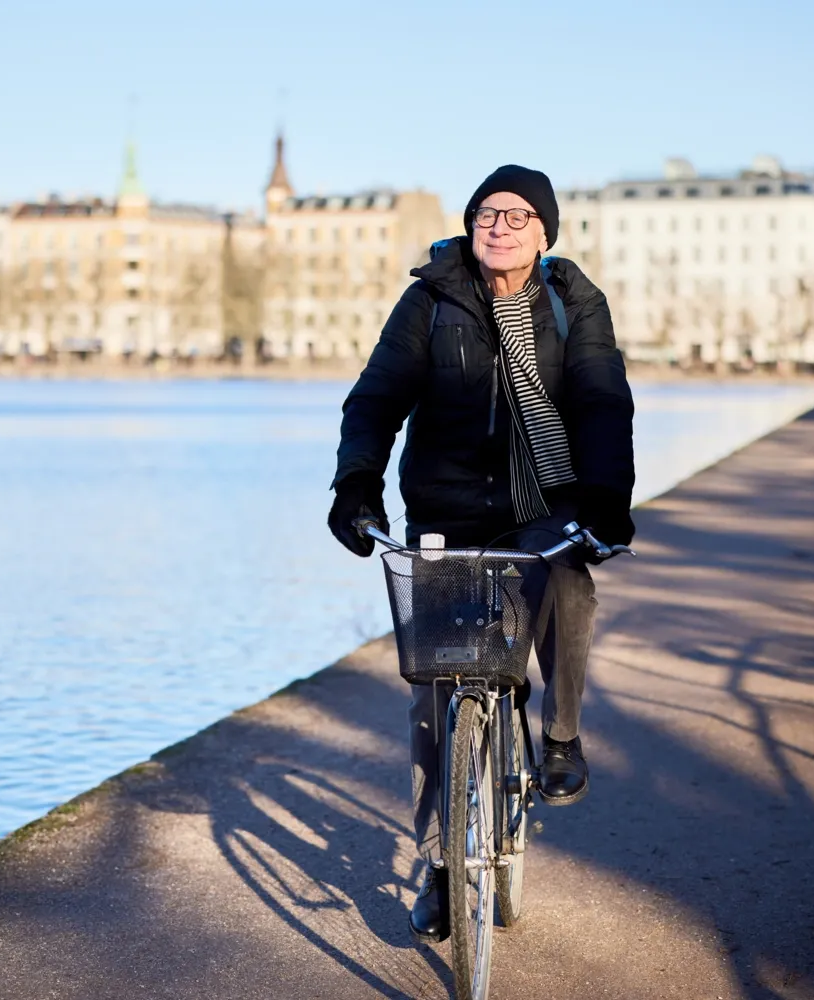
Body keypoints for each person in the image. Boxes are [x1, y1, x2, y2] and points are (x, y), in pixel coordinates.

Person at [327, 165, 635, 942]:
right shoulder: (431, 297)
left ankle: (560, 736)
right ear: (469, 225)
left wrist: (607, 500)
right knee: (434, 695)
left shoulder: (573, 304)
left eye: (518, 215)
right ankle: (438, 864)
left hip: (545, 503)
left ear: (544, 233)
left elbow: (602, 400)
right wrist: (357, 482)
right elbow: (377, 397)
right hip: (446, 506)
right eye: (485, 213)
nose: (499, 225)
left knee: (568, 579)